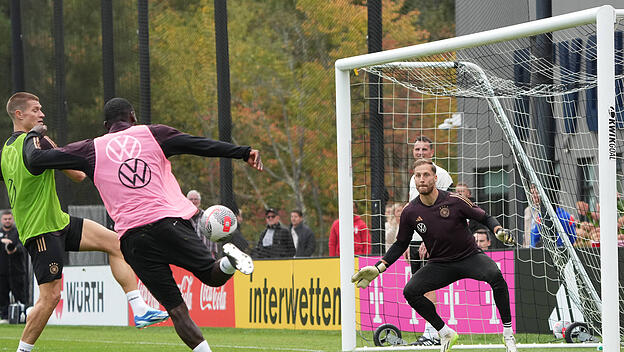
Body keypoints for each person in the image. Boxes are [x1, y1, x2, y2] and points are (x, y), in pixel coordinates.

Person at [23, 97, 262, 351]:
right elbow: (199, 145)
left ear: (106, 125)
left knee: (177, 311)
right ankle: (228, 261)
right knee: (213, 277)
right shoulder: (154, 134)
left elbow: (35, 160)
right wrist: (243, 152)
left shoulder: (90, 149)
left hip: (133, 241)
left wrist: (31, 136)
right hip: (169, 224)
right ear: (133, 117)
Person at [2, 93, 168, 352]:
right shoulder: (37, 141)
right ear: (19, 114)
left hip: (58, 221)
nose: (42, 114)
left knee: (116, 243)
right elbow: (78, 175)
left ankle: (139, 308)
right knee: (50, 298)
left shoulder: (6, 150)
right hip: (42, 229)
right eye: (36, 110)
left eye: (41, 109)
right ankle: (22, 350)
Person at [352, 159, 517, 352]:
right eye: (417, 176)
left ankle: (508, 335)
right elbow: (400, 244)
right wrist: (379, 267)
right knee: (410, 291)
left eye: (426, 175)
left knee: (496, 276)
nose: (421, 179)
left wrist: (497, 230)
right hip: (440, 264)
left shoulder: (455, 200)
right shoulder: (410, 212)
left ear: (435, 178)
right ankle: (445, 332)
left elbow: (484, 217)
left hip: (469, 256)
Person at [408, 136, 454, 346]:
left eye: (424, 149)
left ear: (432, 152)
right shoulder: (414, 178)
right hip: (416, 239)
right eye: (417, 149)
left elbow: (447, 210)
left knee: (427, 285)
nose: (420, 152)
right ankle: (432, 330)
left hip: (433, 239)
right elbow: (412, 213)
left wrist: (431, 237)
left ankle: (433, 333)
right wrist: (410, 240)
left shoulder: (441, 175)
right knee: (416, 286)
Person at [0, 210, 28, 324]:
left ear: (13, 219)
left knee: (20, 295)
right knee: (2, 295)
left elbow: (24, 247)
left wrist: (15, 249)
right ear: (2, 220)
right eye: (5, 219)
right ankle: (5, 316)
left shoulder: (19, 232)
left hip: (17, 271)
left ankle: (22, 315)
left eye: (9, 218)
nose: (7, 221)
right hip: (2, 271)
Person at [187, 190, 220, 259]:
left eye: (196, 199)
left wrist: (213, 255)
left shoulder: (208, 217)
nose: (193, 201)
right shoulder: (183, 218)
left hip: (206, 256)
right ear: (186, 201)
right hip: (188, 256)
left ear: (199, 201)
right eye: (191, 199)